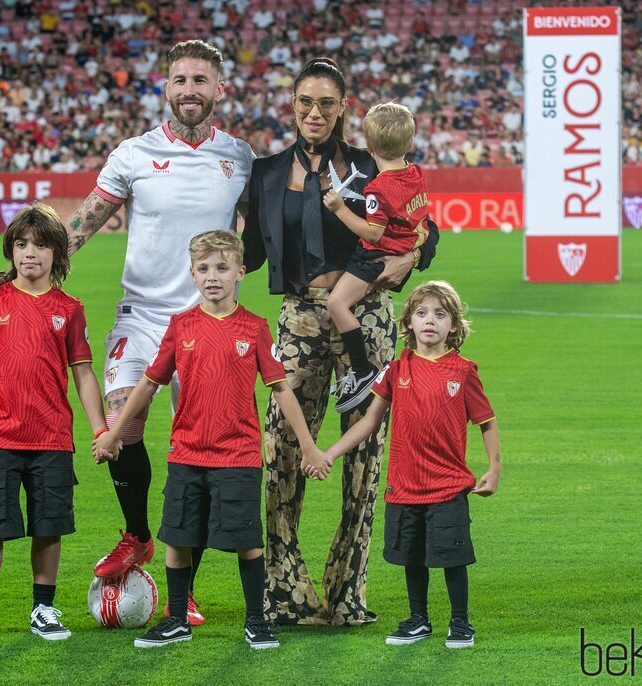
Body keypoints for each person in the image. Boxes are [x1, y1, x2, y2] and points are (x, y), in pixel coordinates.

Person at [14, 39, 254, 625]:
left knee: (196, 450)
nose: (190, 90)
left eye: (201, 80)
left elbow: (259, 229)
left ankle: (184, 588)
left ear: (219, 89)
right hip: (143, 315)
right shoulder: (135, 153)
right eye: (179, 80)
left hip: (208, 321)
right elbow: (85, 221)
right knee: (122, 424)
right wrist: (35, 264)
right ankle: (141, 536)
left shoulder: (240, 158)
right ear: (165, 88)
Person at [242, 57, 440, 626]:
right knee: (280, 449)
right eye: (306, 101)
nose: (315, 112)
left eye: (327, 102)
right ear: (292, 105)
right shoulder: (266, 173)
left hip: (368, 316)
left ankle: (346, 593)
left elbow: (425, 231)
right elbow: (251, 254)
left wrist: (409, 258)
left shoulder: (369, 164)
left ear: (344, 108)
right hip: (297, 318)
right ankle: (286, 592)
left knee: (366, 454)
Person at [94, 231, 324, 649]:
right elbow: (148, 383)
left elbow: (281, 389)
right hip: (187, 454)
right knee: (178, 539)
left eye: (222, 268)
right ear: (192, 274)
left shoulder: (253, 328)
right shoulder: (181, 326)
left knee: (246, 542)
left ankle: (257, 621)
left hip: (237, 456)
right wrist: (113, 433)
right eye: (204, 269)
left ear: (240, 272)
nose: (212, 276)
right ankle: (177, 620)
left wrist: (308, 445)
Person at [320, 281, 502, 648]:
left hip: (449, 485)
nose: (430, 321)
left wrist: (494, 468)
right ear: (409, 322)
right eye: (421, 313)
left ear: (453, 325)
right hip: (404, 486)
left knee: (452, 558)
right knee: (412, 557)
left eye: (440, 314)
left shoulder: (464, 371)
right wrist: (330, 452)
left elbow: (487, 421)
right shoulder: (395, 369)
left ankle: (460, 623)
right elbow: (369, 422)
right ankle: (418, 620)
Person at [0, 204, 107, 643]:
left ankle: (43, 607)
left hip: (52, 438)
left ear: (57, 254)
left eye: (40, 246)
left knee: (49, 525)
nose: (30, 254)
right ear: (10, 250)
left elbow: (83, 372)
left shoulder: (70, 308)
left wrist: (100, 428)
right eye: (21, 245)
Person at [323, 102, 435, 412]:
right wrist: (417, 243)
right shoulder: (416, 173)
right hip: (400, 252)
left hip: (374, 257)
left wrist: (339, 208)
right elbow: (421, 218)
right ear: (410, 144)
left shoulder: (378, 189)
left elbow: (372, 233)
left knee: (336, 304)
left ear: (369, 146)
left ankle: (361, 371)